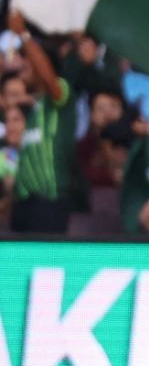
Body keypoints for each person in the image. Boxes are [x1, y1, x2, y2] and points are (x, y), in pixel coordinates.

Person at [6, 12, 87, 233]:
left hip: (49, 202)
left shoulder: (61, 96)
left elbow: (50, 80)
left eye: (29, 62)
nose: (24, 66)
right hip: (23, 204)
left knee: (46, 264)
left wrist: (23, 34)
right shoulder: (34, 109)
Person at [76, 89, 125, 188]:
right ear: (91, 113)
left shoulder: (130, 141)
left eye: (113, 106)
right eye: (100, 108)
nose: (107, 113)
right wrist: (109, 176)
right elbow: (80, 174)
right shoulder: (84, 145)